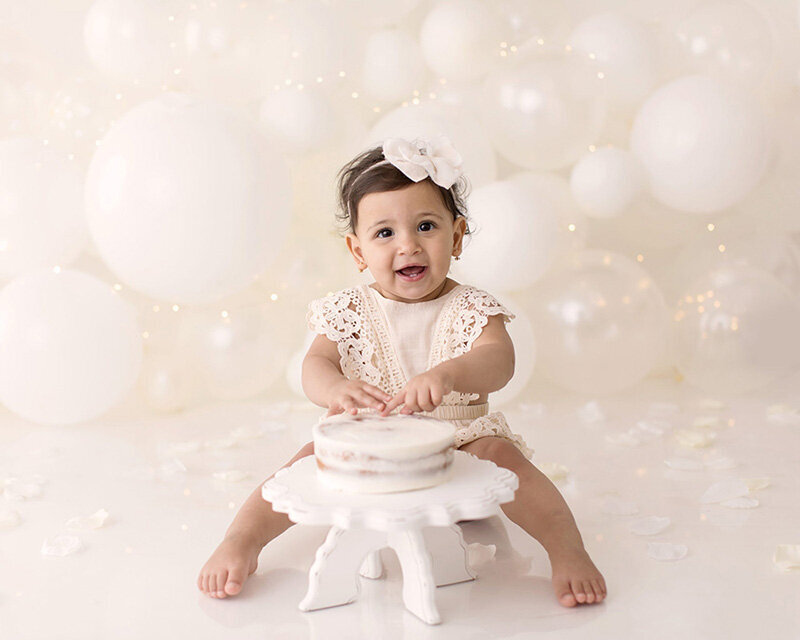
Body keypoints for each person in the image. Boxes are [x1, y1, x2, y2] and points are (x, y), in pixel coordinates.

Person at [198, 136, 607, 607]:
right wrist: (336, 388)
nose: (408, 245)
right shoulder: (348, 309)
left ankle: (568, 550)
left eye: (426, 226)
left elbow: (500, 361)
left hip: (459, 441)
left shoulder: (472, 307)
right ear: (357, 251)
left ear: (456, 236)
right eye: (385, 233)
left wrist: (451, 374)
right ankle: (242, 542)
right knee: (305, 460)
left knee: (504, 455)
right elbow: (315, 364)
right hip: (373, 440)